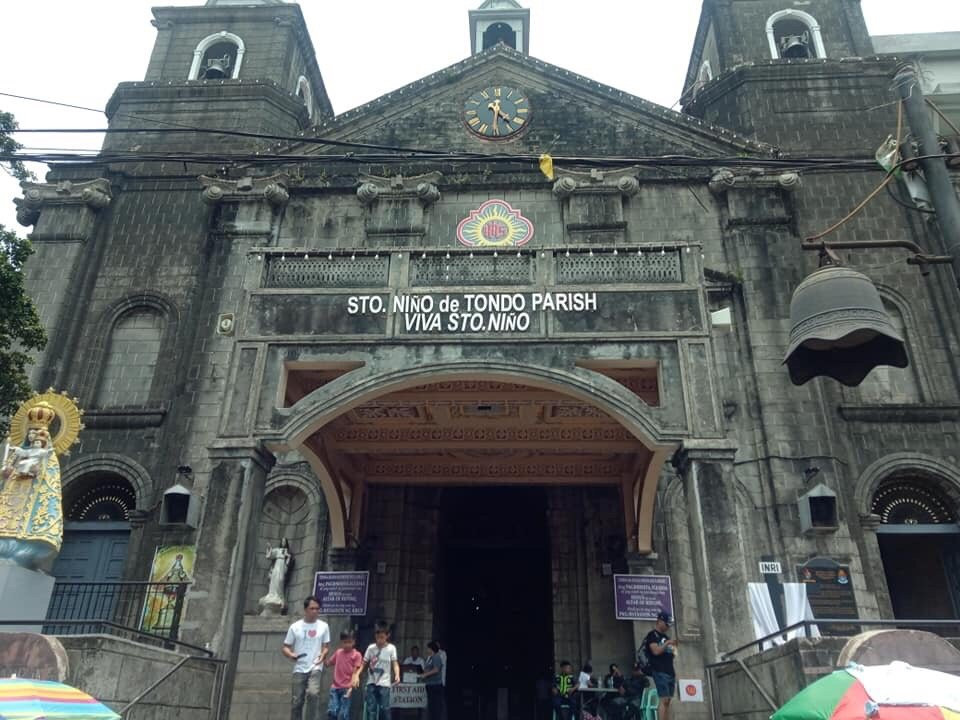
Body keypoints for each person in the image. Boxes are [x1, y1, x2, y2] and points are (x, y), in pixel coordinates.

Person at [282, 596, 331, 720]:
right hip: (299, 667)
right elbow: (285, 647)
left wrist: (323, 654)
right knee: (297, 701)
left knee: (313, 694)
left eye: (317, 609)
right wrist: (291, 654)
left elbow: (326, 647)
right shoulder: (295, 627)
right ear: (305, 609)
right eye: (312, 608)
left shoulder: (324, 626)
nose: (315, 611)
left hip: (315, 666)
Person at [361, 621, 399, 720]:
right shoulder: (371, 648)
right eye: (378, 637)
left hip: (384, 683)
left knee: (385, 709)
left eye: (382, 637)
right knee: (371, 709)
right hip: (372, 682)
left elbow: (395, 663)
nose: (380, 640)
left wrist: (397, 674)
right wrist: (357, 674)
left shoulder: (391, 648)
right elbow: (364, 663)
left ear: (387, 636)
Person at [643, 611, 677, 720]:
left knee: (668, 701)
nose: (668, 626)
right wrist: (667, 644)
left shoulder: (666, 636)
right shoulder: (652, 635)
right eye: (666, 624)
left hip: (670, 671)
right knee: (664, 699)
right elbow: (656, 651)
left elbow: (671, 655)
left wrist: (673, 648)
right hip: (659, 670)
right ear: (660, 621)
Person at [324, 629, 363, 720]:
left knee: (343, 715)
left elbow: (355, 673)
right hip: (335, 688)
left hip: (346, 688)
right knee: (332, 711)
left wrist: (350, 688)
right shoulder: (338, 653)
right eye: (345, 642)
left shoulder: (356, 655)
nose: (347, 645)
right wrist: (322, 656)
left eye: (349, 642)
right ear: (341, 642)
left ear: (354, 641)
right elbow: (328, 663)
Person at [418, 641, 445, 720]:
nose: (427, 650)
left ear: (432, 649)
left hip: (435, 685)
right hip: (430, 684)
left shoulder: (436, 657)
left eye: (428, 648)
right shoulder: (429, 658)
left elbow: (436, 669)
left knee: (436, 707)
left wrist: (425, 675)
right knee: (431, 706)